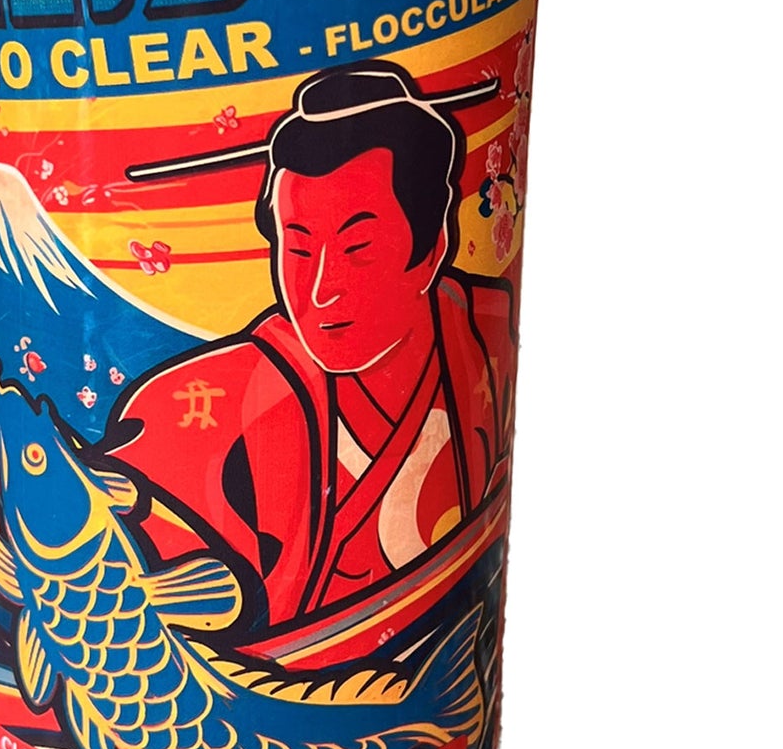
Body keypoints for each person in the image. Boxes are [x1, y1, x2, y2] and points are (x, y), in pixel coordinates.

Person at [101, 61, 516, 634]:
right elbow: (117, 507)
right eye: (297, 249)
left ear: (431, 248)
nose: (321, 290)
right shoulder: (227, 399)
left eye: (358, 248)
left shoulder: (480, 338)